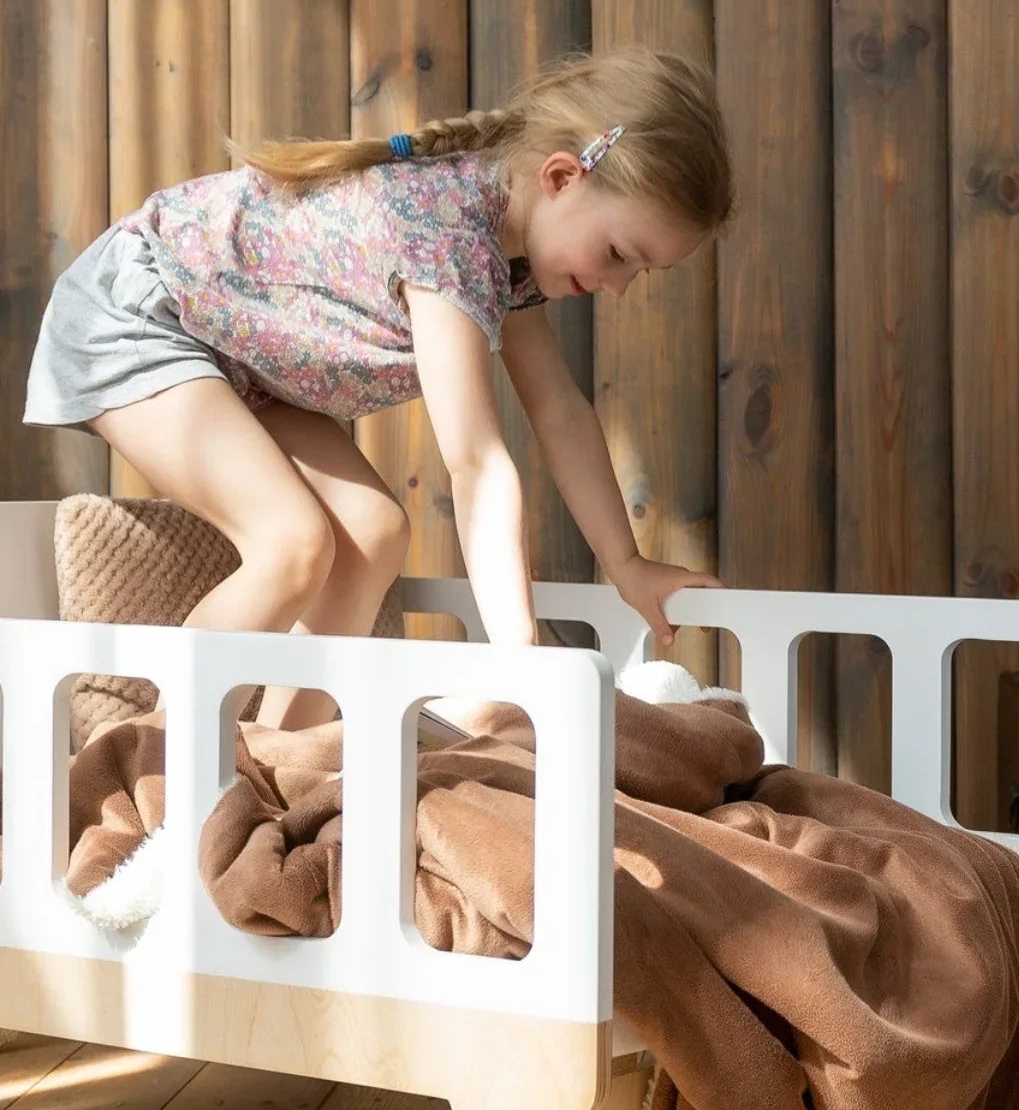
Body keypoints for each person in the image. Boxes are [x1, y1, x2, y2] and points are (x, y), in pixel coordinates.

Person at [24, 46, 731, 728]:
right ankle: (151, 763)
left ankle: (280, 755)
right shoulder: (449, 233)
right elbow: (477, 462)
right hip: (144, 311)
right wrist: (518, 657)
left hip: (236, 354)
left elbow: (561, 412)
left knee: (373, 533)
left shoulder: (505, 261)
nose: (616, 285)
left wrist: (627, 563)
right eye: (617, 255)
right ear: (558, 178)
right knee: (291, 540)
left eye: (638, 272)